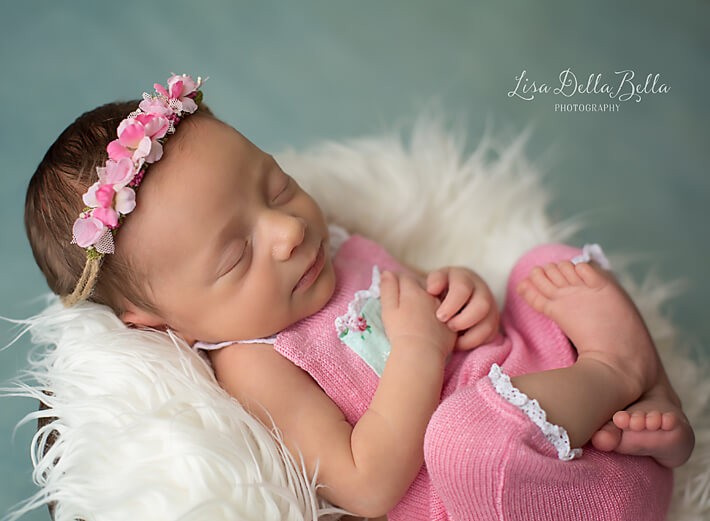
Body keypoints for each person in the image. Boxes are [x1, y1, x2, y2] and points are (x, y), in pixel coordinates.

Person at [25, 74, 694, 520]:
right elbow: (367, 483)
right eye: (236, 255)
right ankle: (617, 367)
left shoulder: (336, 246)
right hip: (522, 490)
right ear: (155, 318)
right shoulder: (254, 362)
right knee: (462, 438)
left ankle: (651, 400)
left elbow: (445, 305)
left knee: (542, 269)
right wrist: (417, 350)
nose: (288, 231)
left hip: (566, 405)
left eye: (277, 186)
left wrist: (464, 295)